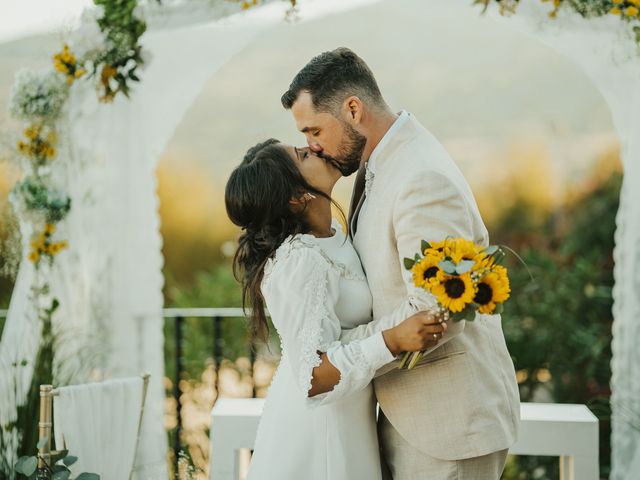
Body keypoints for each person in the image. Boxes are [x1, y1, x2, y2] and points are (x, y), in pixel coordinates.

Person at [280, 47, 520, 479]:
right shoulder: (378, 164)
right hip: (404, 411)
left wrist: (342, 351)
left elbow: (438, 310)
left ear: (353, 109)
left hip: (447, 424)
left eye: (314, 130)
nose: (312, 146)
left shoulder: (420, 177)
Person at [225, 139, 445, 479]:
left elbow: (341, 332)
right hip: (320, 427)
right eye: (302, 155)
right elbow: (313, 376)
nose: (314, 148)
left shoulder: (334, 236)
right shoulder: (300, 262)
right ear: (297, 197)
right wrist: (392, 340)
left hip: (352, 415)